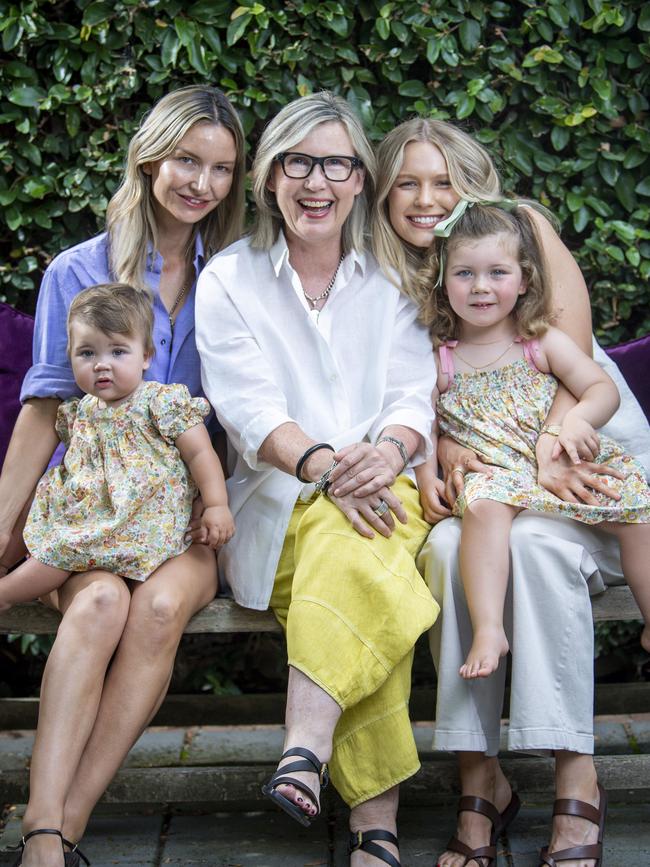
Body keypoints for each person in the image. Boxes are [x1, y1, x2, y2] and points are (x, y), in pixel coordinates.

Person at [373, 117, 650, 867]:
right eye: (407, 182)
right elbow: (413, 394)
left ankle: (575, 774)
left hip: (576, 455)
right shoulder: (389, 266)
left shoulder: (518, 230)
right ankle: (479, 778)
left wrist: (549, 447)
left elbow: (576, 359)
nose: (426, 199)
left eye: (443, 181)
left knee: (532, 543)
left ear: (473, 184)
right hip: (489, 473)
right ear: (383, 193)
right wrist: (445, 448)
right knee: (448, 543)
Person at [0, 85, 245, 867]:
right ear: (150, 158)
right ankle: (44, 822)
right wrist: (2, 531)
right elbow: (44, 410)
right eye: (185, 159)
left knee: (162, 604)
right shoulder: (78, 271)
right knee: (103, 598)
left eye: (220, 169)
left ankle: (59, 827)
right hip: (97, 512)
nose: (199, 183)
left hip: (187, 515)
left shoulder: (234, 278)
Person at [195, 92, 438, 867]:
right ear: (270, 177)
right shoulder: (230, 278)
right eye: (298, 162)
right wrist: (327, 467)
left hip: (386, 483)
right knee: (362, 552)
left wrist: (393, 452)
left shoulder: (393, 277)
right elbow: (247, 407)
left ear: (361, 179)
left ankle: (306, 747)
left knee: (358, 544)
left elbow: (411, 395)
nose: (316, 182)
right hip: (279, 496)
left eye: (336, 163)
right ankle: (377, 826)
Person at [415, 202, 650, 683]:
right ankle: (487, 629)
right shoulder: (439, 358)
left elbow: (599, 387)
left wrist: (578, 421)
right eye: (464, 273)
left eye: (497, 272)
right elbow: (425, 426)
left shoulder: (538, 341)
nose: (480, 286)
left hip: (559, 464)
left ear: (523, 280)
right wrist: (428, 473)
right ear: (443, 281)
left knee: (637, 509)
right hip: (498, 475)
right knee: (482, 506)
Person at [0, 283, 234, 613]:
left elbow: (200, 453)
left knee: (61, 552)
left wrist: (216, 505)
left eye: (118, 352)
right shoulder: (79, 411)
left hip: (142, 521)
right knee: (49, 517)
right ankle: (6, 575)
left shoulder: (161, 402)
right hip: (95, 521)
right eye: (87, 353)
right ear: (71, 358)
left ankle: (6, 593)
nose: (101, 364)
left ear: (146, 356)